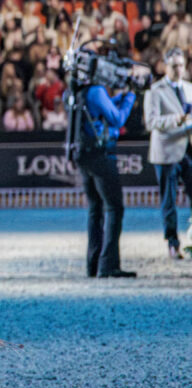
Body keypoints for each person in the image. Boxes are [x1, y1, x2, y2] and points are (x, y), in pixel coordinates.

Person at [65, 39, 142, 278]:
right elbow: (117, 119)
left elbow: (102, 109)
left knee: (95, 209)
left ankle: (93, 264)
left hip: (83, 154)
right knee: (114, 208)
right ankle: (109, 266)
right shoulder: (96, 90)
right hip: (99, 155)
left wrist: (119, 97)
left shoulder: (75, 90)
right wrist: (130, 96)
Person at [143, 49, 190, 261]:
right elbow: (152, 122)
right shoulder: (155, 91)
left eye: (181, 65)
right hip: (167, 153)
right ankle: (172, 243)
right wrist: (176, 120)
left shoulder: (189, 88)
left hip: (188, 150)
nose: (179, 69)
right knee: (169, 202)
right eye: (174, 66)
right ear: (165, 66)